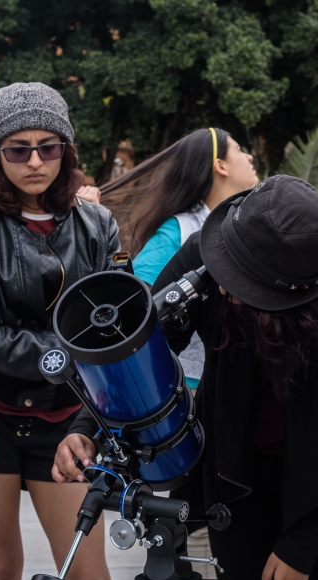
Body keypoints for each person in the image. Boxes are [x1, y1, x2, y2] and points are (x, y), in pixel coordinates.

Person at [55, 175, 318, 580]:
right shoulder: (207, 252)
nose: (226, 290)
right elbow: (143, 349)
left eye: (245, 286)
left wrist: (302, 548)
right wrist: (86, 425)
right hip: (236, 467)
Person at [0, 82, 118, 580]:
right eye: (16, 149)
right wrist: (69, 353)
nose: (34, 161)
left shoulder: (98, 224)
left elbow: (116, 321)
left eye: (47, 147)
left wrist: (81, 394)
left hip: (67, 423)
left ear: (66, 151)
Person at [100, 127, 259, 391]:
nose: (249, 158)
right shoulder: (180, 231)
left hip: (231, 381)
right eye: (240, 151)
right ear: (220, 165)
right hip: (187, 385)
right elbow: (134, 304)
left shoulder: (239, 223)